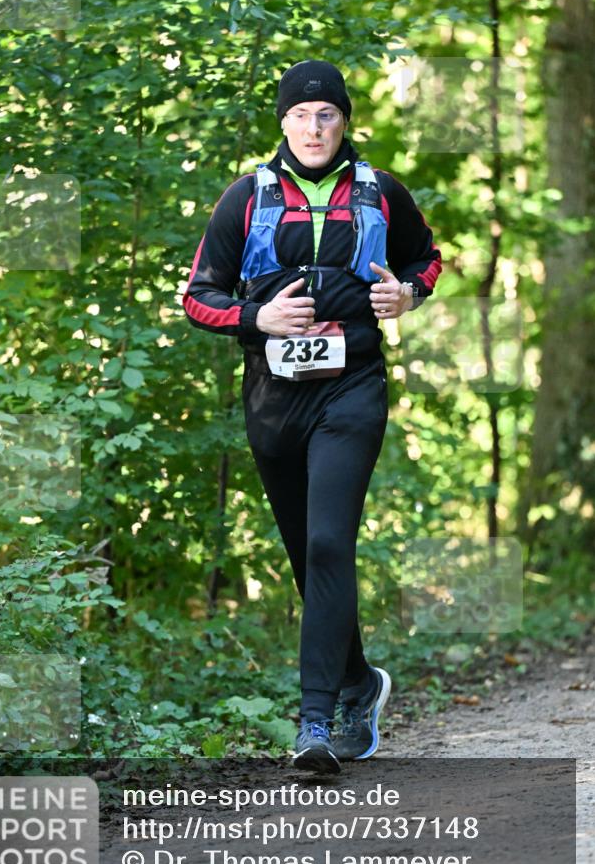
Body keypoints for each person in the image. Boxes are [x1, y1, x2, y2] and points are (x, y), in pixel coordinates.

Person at [182, 60, 442, 773]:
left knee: (331, 543)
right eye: (300, 115)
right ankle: (360, 682)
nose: (314, 126)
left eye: (326, 114)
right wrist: (255, 316)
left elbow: (427, 260)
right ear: (283, 123)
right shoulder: (245, 197)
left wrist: (406, 298)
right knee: (307, 554)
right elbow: (197, 296)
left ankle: (315, 724)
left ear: (345, 121)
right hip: (272, 397)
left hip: (350, 387)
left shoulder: (381, 192)